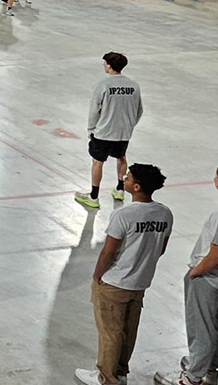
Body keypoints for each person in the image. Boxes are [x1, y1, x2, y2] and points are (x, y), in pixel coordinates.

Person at [74, 164, 172, 385]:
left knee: (110, 332)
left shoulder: (123, 215)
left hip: (115, 282)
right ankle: (120, 372)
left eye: (128, 178)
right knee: (128, 330)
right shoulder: (165, 213)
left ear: (136, 187)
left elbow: (109, 252)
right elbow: (161, 248)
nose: (124, 179)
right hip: (140, 282)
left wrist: (97, 276)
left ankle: (106, 378)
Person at [154, 163, 218, 385]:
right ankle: (210, 368)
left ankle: (192, 378)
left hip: (209, 277)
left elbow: (217, 254)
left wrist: (195, 272)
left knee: (201, 328)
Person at [76, 52, 144, 210]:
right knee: (121, 157)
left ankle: (94, 197)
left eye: (104, 63)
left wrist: (91, 129)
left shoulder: (103, 85)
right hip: (123, 132)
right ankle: (120, 189)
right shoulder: (134, 86)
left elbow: (95, 109)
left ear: (109, 65)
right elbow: (139, 110)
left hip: (104, 132)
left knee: (97, 162)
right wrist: (129, 125)